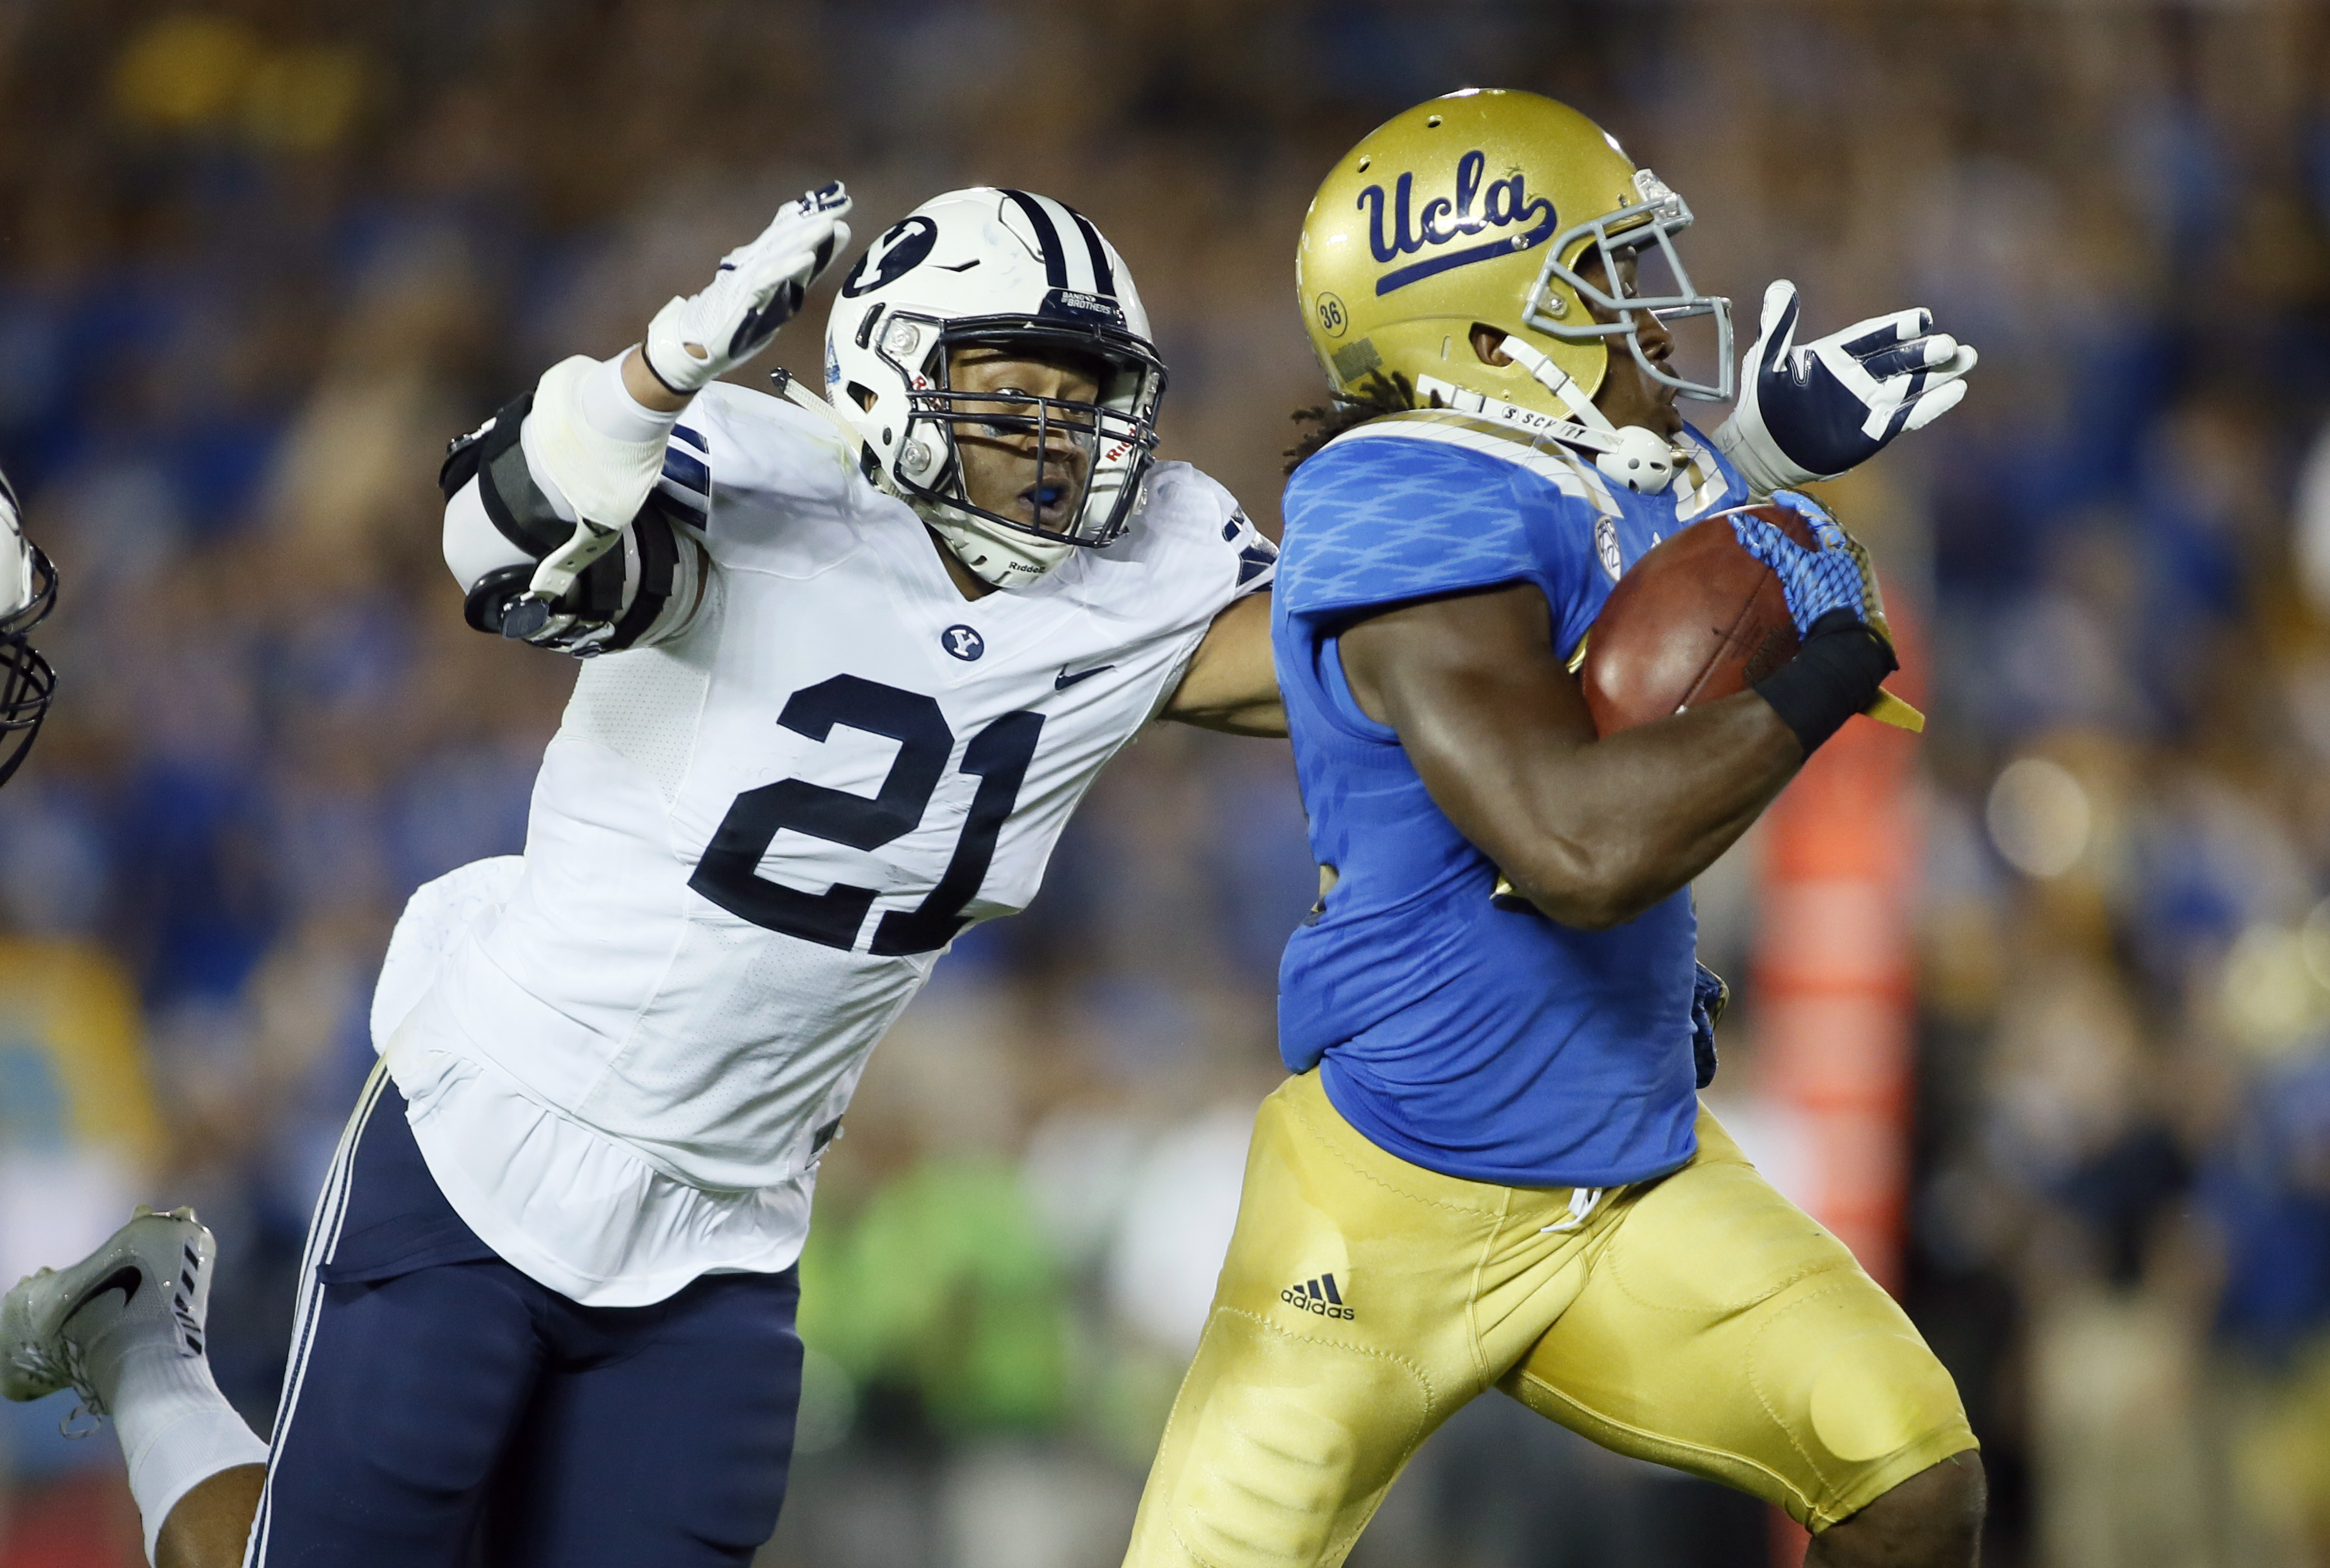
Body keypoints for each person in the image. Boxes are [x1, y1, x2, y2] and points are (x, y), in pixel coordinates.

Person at [1, 180, 1283, 1567]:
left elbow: (1368, 664)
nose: (1054, 432)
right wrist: (654, 374)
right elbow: (488, 548)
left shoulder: (1143, 573)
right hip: (494, 1132)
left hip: (728, 1219)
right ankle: (148, 1355)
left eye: (1084, 392)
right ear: (895, 365)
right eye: (1012, 384)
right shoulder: (763, 477)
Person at [1120, 89, 1985, 1568]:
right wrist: (1834, 664)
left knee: (1906, 1477)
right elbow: (1575, 849)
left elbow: (1626, 591)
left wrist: (1758, 461)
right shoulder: (1402, 504)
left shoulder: (1567, 473)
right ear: (1483, 340)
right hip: (1382, 1205)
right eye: (1603, 277)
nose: (1650, 311)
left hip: (1627, 1169)